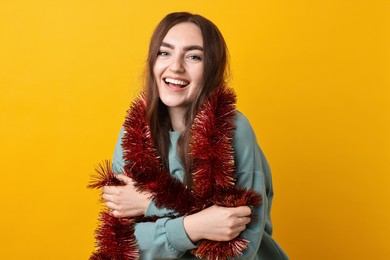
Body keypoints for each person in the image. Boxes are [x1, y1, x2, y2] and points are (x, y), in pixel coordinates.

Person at [94, 12, 288, 259]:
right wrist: (196, 226)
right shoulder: (134, 133)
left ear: (211, 70)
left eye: (194, 56)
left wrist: (149, 205)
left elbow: (240, 248)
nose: (175, 66)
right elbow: (122, 245)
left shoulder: (233, 129)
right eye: (164, 53)